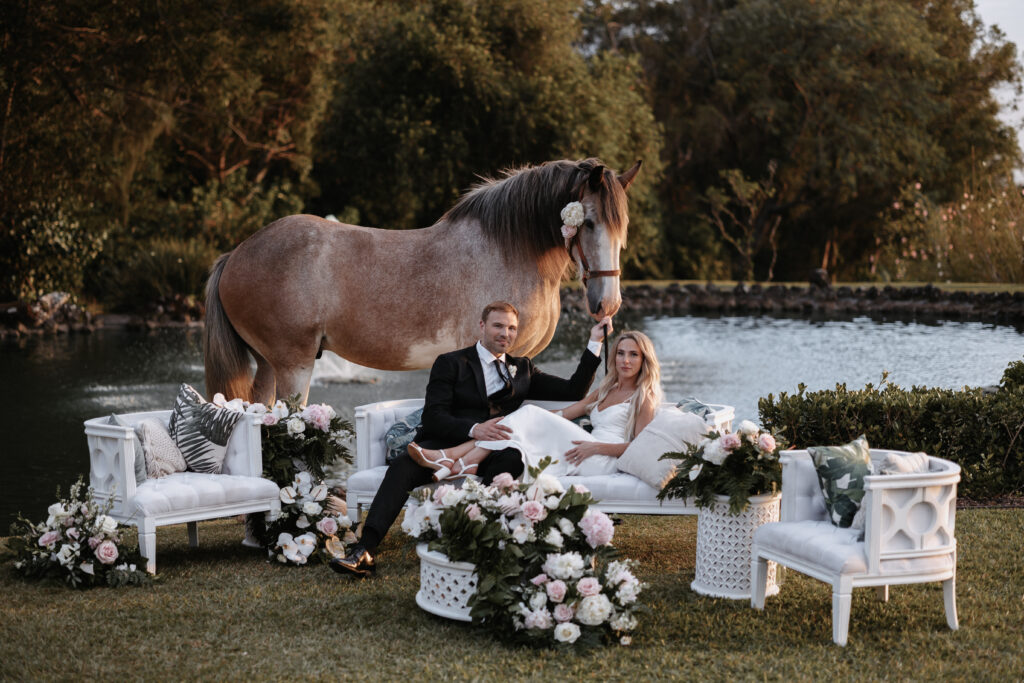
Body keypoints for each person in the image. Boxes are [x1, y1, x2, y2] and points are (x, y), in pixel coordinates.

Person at [329, 301, 611, 577]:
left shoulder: (523, 368)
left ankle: (474, 543)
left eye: (512, 328)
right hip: (445, 443)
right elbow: (434, 416)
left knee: (512, 460)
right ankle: (364, 550)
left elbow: (574, 391)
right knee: (403, 465)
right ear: (482, 326)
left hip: (494, 454)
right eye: (498, 326)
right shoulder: (451, 363)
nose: (505, 333)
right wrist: (475, 429)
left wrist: (594, 341)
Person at [407, 330, 662, 478]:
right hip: (582, 450)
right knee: (524, 417)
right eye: (620, 353)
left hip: (600, 458)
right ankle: (463, 461)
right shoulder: (606, 390)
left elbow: (640, 447)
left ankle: (453, 456)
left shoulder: (643, 397)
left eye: (633, 355)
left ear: (644, 360)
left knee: (527, 413)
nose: (625, 360)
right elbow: (565, 413)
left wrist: (595, 447)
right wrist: (524, 421)